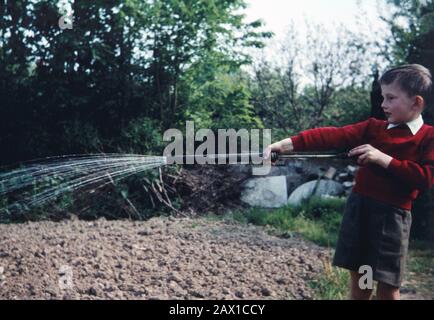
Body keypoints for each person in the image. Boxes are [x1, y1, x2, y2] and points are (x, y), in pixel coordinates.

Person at [264, 64, 433, 300]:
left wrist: (383, 159)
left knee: (387, 285)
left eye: (391, 98)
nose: (383, 104)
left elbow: (425, 178)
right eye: (383, 97)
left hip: (391, 220)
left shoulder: (428, 137)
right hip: (360, 211)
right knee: (361, 280)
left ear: (416, 103)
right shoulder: (373, 128)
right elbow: (331, 135)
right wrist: (283, 144)